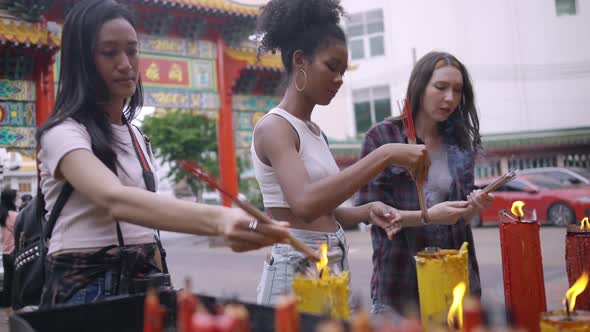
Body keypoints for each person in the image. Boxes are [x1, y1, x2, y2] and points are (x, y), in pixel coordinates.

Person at [36, 0, 290, 308]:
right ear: (81, 61)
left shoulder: (138, 137)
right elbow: (114, 198)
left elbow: (144, 229)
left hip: (144, 284)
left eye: (132, 50)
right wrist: (221, 219)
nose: (125, 63)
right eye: (109, 52)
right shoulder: (62, 133)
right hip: (86, 290)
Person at [252, 0, 473, 305]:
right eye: (332, 67)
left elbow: (327, 212)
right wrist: (385, 154)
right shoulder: (274, 127)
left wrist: (366, 211)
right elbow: (304, 204)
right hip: (296, 269)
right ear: (300, 60)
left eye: (343, 71)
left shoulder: (314, 133)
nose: (340, 79)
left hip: (330, 262)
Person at [357, 51, 494, 315]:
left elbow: (460, 217)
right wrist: (428, 216)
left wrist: (473, 206)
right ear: (420, 86)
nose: (450, 98)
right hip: (400, 282)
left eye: (457, 90)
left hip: (455, 278)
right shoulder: (382, 137)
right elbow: (370, 212)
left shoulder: (459, 141)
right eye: (441, 87)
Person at [0, 188, 17, 307]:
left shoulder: (1, 216)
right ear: (12, 200)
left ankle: (6, 304)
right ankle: (16, 304)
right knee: (17, 280)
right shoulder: (16, 215)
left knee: (7, 280)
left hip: (5, 252)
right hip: (15, 251)